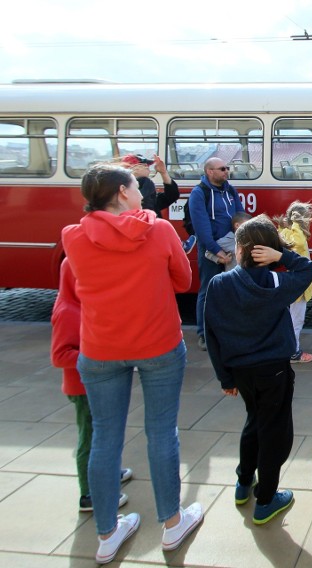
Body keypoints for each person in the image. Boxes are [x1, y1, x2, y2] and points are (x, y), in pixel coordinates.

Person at [61, 164, 203, 564]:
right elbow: (181, 279)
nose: (144, 192)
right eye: (136, 188)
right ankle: (173, 524)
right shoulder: (157, 230)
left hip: (100, 349)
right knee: (161, 433)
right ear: (122, 194)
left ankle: (107, 533)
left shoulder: (74, 237)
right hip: (158, 344)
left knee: (105, 437)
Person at [203, 214, 312, 525]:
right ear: (268, 250)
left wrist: (225, 377)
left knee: (253, 421)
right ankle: (266, 500)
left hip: (240, 370)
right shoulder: (277, 282)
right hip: (274, 370)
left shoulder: (219, 283)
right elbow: (310, 268)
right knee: (274, 432)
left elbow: (211, 334)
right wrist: (282, 255)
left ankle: (243, 484)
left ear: (239, 248)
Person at [50, 259, 133, 514]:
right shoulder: (66, 311)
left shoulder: (84, 305)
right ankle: (89, 494)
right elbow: (59, 355)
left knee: (107, 431)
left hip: (99, 382)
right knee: (90, 438)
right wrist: (98, 356)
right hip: (83, 387)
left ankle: (107, 472)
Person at [188, 157, 244, 351]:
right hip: (211, 250)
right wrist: (217, 251)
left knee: (230, 289)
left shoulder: (230, 190)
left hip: (231, 245)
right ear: (209, 171)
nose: (226, 171)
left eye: (227, 168)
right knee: (207, 291)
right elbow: (201, 228)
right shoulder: (199, 193)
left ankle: (226, 330)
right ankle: (204, 334)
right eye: (222, 169)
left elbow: (240, 215)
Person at [274, 201, 312, 364]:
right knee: (296, 320)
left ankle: (288, 347)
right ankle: (294, 352)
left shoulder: (286, 231)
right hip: (299, 286)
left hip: (294, 284)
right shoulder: (295, 234)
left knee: (292, 318)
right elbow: (298, 242)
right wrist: (298, 226)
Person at [120, 154, 180, 218]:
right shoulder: (145, 182)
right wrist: (164, 173)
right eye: (143, 164)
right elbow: (171, 196)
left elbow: (171, 196)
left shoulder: (120, 191)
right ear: (132, 168)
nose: (147, 166)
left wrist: (164, 173)